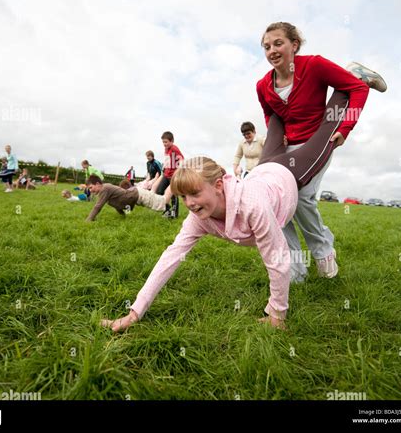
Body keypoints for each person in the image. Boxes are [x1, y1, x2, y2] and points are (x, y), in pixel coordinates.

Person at [100, 77, 385, 333]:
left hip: (288, 175)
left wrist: (277, 314)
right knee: (275, 119)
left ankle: (354, 77)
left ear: (219, 185)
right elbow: (171, 257)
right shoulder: (198, 217)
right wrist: (135, 312)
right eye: (184, 197)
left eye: (195, 194)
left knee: (325, 136)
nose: (190, 204)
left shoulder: (252, 207)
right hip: (263, 170)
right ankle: (275, 91)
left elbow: (277, 260)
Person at [256, 21, 387, 282]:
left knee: (302, 196)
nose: (272, 50)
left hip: (319, 140)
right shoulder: (262, 86)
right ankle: (295, 268)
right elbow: (269, 113)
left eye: (278, 43)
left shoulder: (313, 65)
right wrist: (276, 134)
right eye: (267, 46)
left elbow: (356, 90)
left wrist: (346, 127)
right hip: (289, 146)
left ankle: (323, 251)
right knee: (275, 201)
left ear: (294, 45)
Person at [85, 175, 166, 221]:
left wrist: (88, 220)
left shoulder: (104, 189)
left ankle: (171, 208)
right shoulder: (105, 191)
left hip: (139, 194)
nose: (90, 190)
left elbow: (98, 207)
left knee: (160, 203)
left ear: (97, 184)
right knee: (157, 204)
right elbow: (117, 204)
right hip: (136, 197)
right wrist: (123, 215)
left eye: (91, 187)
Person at [153, 131, 184, 218]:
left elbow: (181, 160)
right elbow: (167, 160)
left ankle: (174, 213)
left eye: (166, 142)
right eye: (163, 142)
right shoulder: (166, 149)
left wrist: (179, 172)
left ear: (172, 141)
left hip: (173, 175)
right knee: (159, 191)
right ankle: (167, 209)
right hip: (166, 174)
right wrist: (164, 167)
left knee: (173, 195)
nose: (164, 144)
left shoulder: (175, 149)